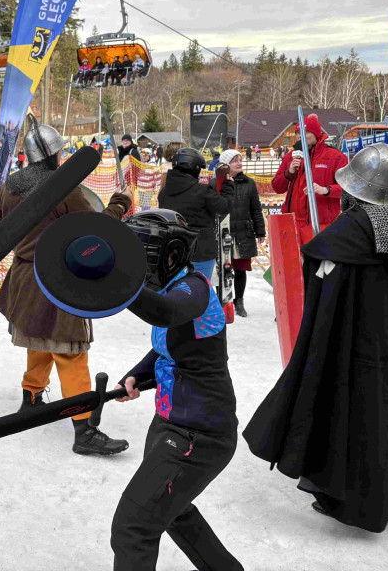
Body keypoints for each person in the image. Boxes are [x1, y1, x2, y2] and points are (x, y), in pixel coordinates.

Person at [243, 143, 388, 533]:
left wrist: (320, 262)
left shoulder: (355, 225)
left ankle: (350, 504)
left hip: (353, 344)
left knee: (351, 411)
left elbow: (323, 273)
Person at [110, 209, 243, 571]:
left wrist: (114, 282)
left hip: (200, 434)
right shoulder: (169, 287)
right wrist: (138, 374)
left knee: (133, 526)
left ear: (169, 254)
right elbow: (166, 347)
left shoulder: (194, 288)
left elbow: (167, 313)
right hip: (170, 423)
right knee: (172, 510)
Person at [0, 124, 130, 455]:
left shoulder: (8, 188)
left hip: (25, 279)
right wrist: (120, 204)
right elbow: (95, 231)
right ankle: (84, 429)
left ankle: (31, 400)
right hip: (56, 281)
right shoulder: (64, 188)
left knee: (39, 342)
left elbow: (1, 229)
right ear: (55, 154)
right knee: (70, 352)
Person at [271, 114, 347, 245]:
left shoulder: (335, 157)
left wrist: (326, 190)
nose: (301, 136)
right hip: (292, 224)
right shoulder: (290, 157)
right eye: (298, 132)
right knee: (294, 265)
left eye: (306, 132)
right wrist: (288, 173)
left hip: (322, 224)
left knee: (319, 265)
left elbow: (349, 188)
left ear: (317, 134)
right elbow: (277, 187)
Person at [158, 148, 232, 281]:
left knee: (177, 293)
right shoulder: (202, 192)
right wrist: (228, 187)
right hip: (200, 254)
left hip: (173, 253)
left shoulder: (163, 193)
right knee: (199, 293)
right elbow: (225, 207)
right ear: (195, 168)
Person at [209, 150, 265, 318]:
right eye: (235, 160)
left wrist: (260, 231)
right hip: (222, 232)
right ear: (226, 164)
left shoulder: (249, 183)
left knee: (240, 269)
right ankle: (224, 301)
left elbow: (256, 209)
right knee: (222, 269)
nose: (239, 163)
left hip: (242, 232)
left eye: (240, 160)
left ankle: (239, 301)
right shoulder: (214, 184)